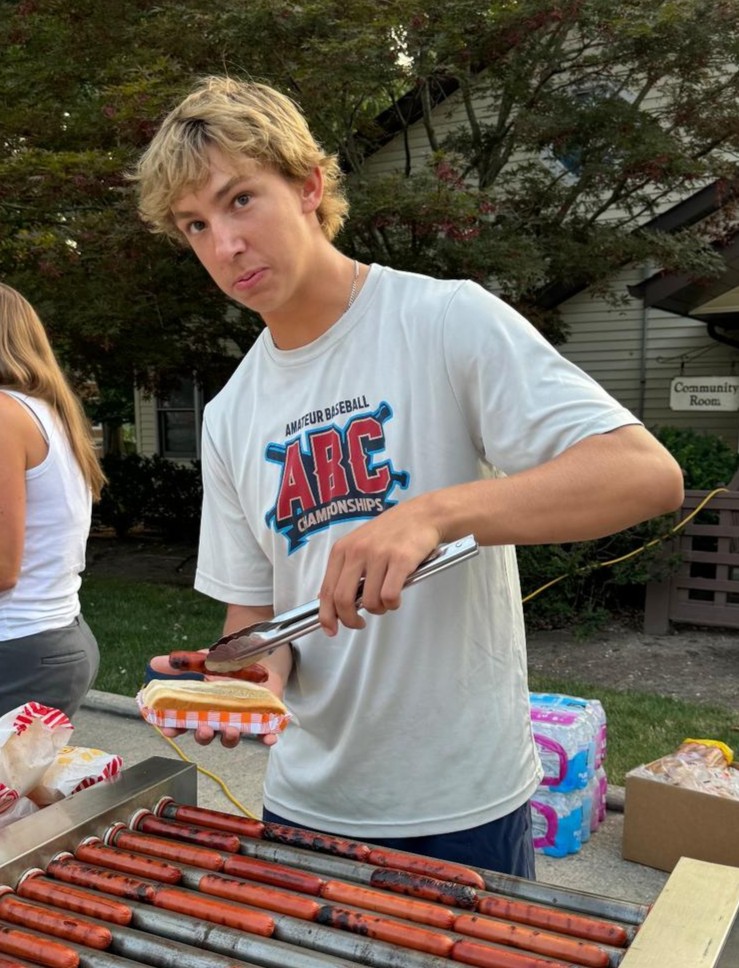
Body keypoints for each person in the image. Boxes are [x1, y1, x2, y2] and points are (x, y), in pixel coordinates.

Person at [135, 76, 684, 877]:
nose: (224, 245)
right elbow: (253, 612)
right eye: (196, 224)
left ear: (308, 186)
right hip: (305, 806)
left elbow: (644, 475)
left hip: (461, 802)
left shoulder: (442, 319)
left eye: (240, 200)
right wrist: (247, 678)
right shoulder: (228, 414)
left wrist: (432, 513)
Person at [0, 283, 104, 718]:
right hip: (54, 639)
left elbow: (3, 568)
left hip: (21, 649)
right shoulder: (47, 411)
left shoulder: (5, 414)